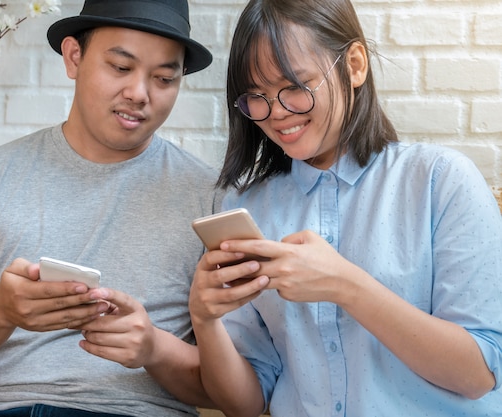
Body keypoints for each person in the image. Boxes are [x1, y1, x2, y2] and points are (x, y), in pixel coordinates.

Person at [0, 1, 222, 416]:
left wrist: (154, 349)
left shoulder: (210, 199)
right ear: (74, 57)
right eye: (121, 68)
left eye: (164, 78)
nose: (140, 94)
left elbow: (234, 392)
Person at [188, 0, 502, 416]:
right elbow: (246, 404)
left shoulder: (440, 180)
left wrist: (345, 286)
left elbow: (478, 373)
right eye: (256, 97)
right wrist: (205, 320)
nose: (277, 113)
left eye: (296, 86)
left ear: (354, 65)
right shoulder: (248, 206)